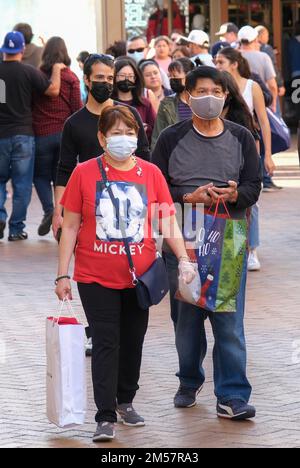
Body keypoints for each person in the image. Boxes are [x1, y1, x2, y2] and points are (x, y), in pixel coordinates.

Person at [55, 105, 196, 442]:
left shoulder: (151, 174)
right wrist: (63, 274)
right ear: (102, 137)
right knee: (106, 342)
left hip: (140, 276)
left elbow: (166, 220)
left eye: (129, 132)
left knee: (133, 341)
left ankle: (126, 400)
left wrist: (184, 258)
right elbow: (71, 226)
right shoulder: (84, 173)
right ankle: (104, 415)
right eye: (116, 132)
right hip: (94, 275)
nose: (123, 139)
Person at [152, 66, 261, 420]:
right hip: (184, 239)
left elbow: (253, 186)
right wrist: (189, 197)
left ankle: (232, 395)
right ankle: (188, 379)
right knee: (187, 318)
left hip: (229, 237)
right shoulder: (171, 137)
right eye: (201, 91)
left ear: (226, 96)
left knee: (228, 320)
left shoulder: (242, 137)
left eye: (217, 90)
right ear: (188, 96)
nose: (210, 97)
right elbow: (157, 191)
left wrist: (234, 194)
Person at [53, 54, 150, 239]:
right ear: (87, 80)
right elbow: (64, 169)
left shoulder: (129, 114)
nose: (105, 83)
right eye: (99, 78)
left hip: (130, 199)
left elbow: (144, 157)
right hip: (88, 203)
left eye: (109, 78)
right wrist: (58, 211)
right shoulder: (73, 123)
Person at [0, 31, 63, 242]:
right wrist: (56, 69)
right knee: (23, 184)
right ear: (22, 49)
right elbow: (53, 90)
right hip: (24, 135)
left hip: (1, 135)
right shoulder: (28, 72)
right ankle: (16, 228)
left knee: (0, 181)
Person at [216, 47, 274, 272]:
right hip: (223, 155)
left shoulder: (252, 87)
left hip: (249, 150)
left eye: (221, 61)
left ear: (234, 63)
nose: (217, 65)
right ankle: (231, 247)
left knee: (251, 202)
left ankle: (251, 249)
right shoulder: (219, 88)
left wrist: (267, 154)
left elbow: (263, 122)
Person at [32, 37, 82, 237]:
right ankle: (59, 214)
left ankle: (48, 210)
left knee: (40, 177)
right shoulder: (71, 78)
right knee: (61, 178)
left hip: (41, 134)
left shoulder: (37, 77)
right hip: (63, 135)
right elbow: (77, 108)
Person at [152, 58, 194, 149]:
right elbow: (157, 136)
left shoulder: (200, 101)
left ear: (188, 76)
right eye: (170, 76)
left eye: (175, 76)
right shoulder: (167, 104)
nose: (172, 79)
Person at [112, 58, 156, 143]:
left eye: (130, 76)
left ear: (135, 78)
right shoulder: (109, 103)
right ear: (114, 77)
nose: (126, 79)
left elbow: (155, 129)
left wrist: (145, 129)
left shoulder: (145, 103)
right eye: (122, 75)